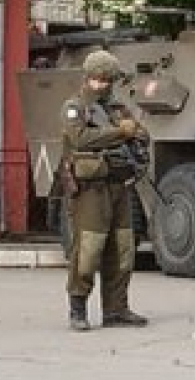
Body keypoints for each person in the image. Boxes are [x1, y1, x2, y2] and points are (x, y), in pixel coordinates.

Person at [60, 50, 149, 331]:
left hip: (118, 185)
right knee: (88, 250)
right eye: (97, 79)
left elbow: (138, 132)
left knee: (122, 250)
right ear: (87, 77)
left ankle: (116, 309)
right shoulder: (75, 107)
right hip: (90, 189)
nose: (102, 85)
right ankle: (78, 309)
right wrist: (119, 133)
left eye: (107, 80)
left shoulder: (118, 108)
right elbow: (80, 138)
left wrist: (135, 134)